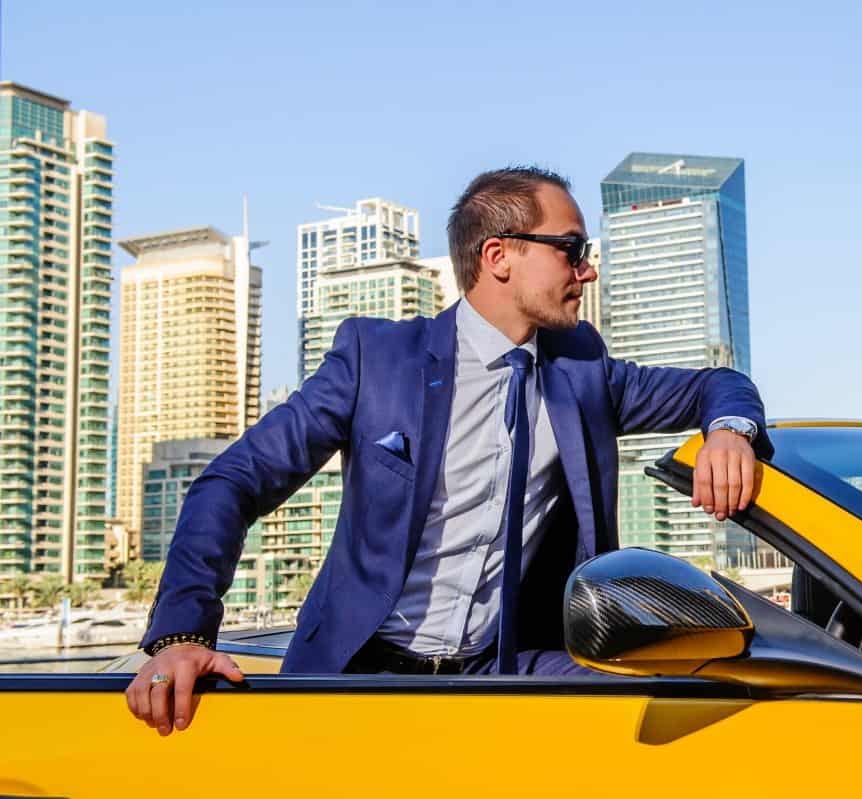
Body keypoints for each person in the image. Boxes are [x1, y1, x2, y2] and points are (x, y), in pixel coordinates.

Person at [125, 166, 773, 736]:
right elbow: (232, 481)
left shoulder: (584, 371)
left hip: (508, 668)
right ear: (499, 256)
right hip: (360, 671)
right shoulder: (374, 359)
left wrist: (729, 429)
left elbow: (721, 383)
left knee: (696, 720)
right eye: (573, 249)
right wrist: (183, 636)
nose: (588, 269)